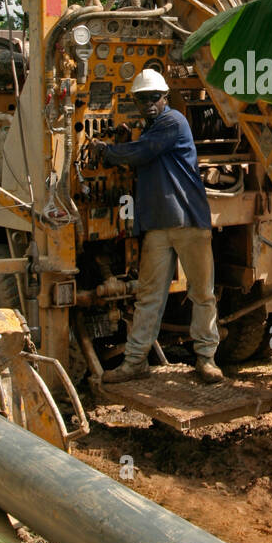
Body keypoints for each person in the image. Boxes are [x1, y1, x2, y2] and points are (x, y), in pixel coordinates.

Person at [92, 69, 223, 385]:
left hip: (189, 220)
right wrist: (125, 141)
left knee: (202, 294)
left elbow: (143, 152)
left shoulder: (173, 121)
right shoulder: (152, 127)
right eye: (142, 99)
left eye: (154, 98)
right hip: (158, 226)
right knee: (149, 296)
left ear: (165, 98)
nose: (149, 104)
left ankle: (206, 359)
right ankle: (135, 362)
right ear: (136, 101)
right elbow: (143, 148)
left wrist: (106, 151)